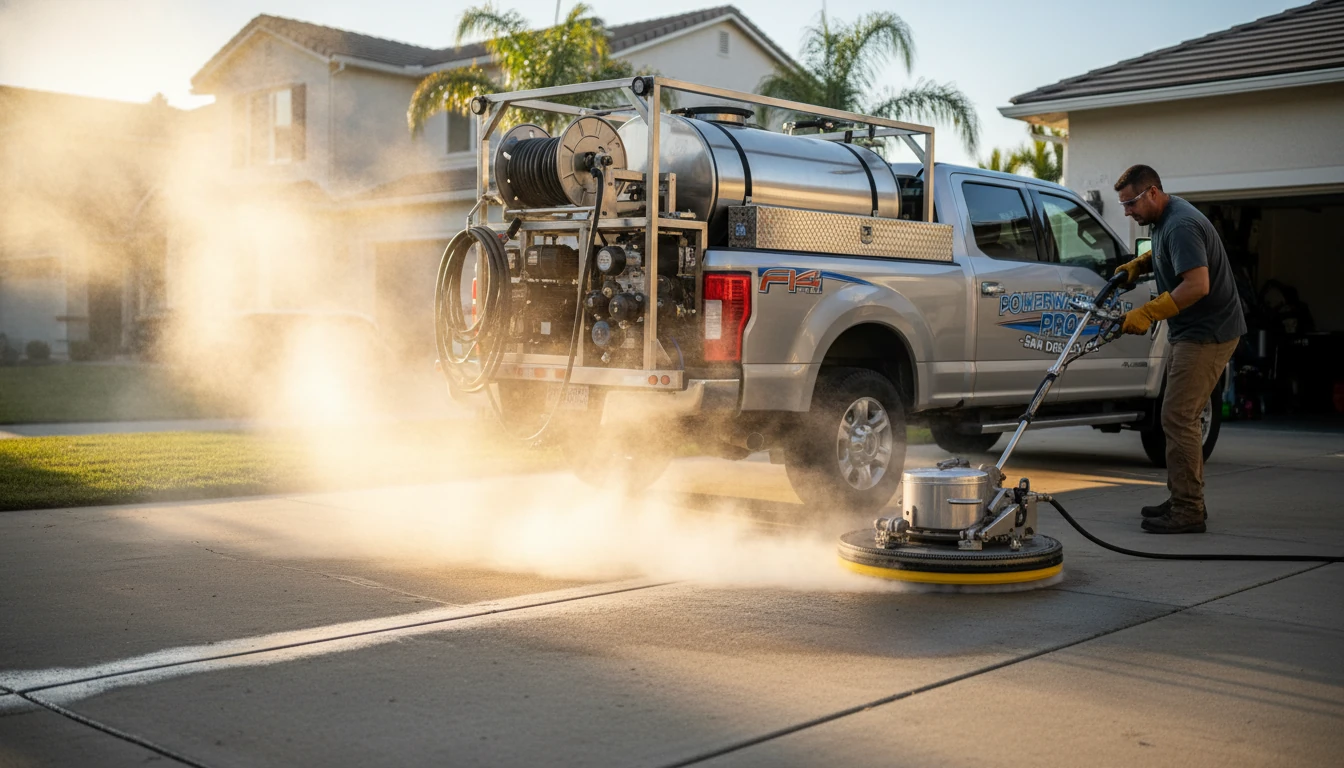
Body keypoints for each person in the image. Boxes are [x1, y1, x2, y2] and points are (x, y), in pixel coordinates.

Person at [1112, 164, 1246, 534]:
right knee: (1175, 416)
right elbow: (1169, 255)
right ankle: (1181, 497)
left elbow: (1198, 284)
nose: (1127, 211)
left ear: (1152, 192)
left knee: (1178, 417)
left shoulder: (1180, 224)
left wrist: (1150, 312)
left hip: (1208, 333)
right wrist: (1140, 264)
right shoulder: (1163, 221)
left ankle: (1188, 510)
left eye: (1131, 203)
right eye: (1123, 205)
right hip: (1192, 330)